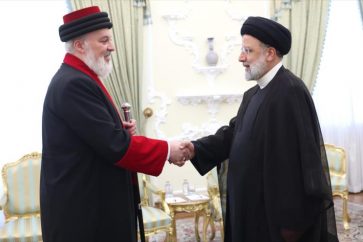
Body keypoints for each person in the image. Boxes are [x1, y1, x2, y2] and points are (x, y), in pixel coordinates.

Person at [182, 16, 339, 242]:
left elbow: (300, 162)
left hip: (275, 221)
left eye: (248, 51)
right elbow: (233, 135)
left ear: (270, 53)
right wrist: (195, 148)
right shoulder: (253, 94)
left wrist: (291, 224)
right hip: (250, 212)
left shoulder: (290, 92)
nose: (241, 57)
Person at [40, 6, 187, 242]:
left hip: (93, 203)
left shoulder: (82, 77)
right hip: (85, 213)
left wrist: (119, 132)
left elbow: (99, 137)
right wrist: (168, 149)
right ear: (80, 45)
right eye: (104, 40)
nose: (112, 47)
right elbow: (114, 146)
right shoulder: (73, 84)